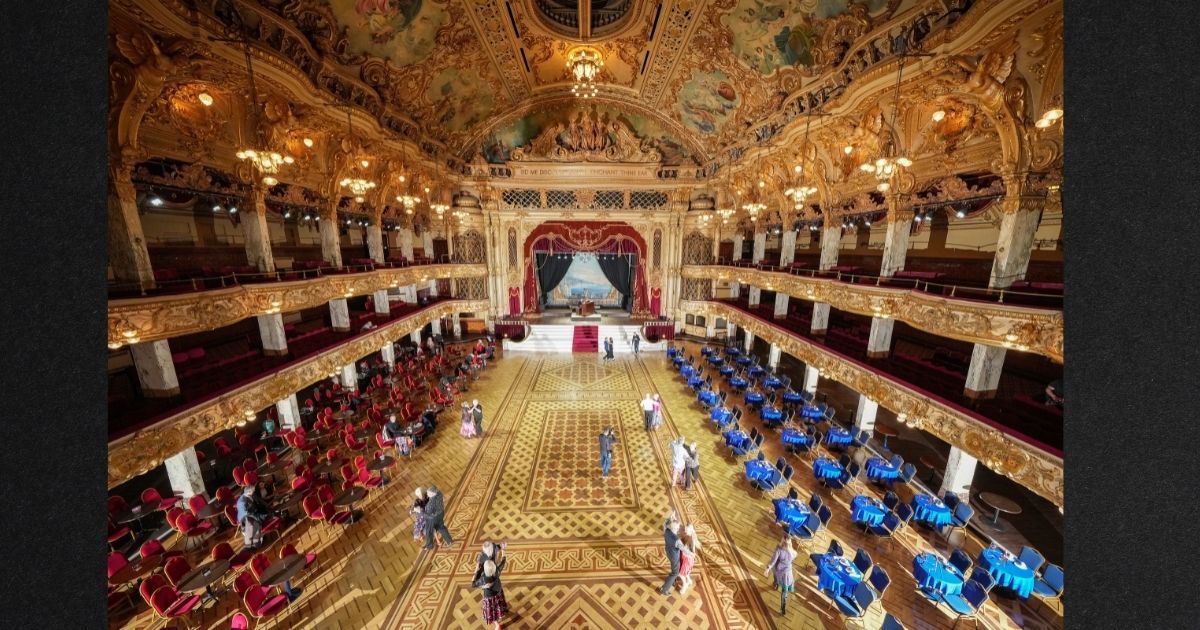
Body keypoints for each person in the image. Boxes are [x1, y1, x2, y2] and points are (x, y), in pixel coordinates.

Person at [764, 535, 797, 615]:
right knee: (784, 592)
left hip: (778, 570)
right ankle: (783, 609)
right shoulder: (794, 553)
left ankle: (775, 585)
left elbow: (773, 561)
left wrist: (767, 568)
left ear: (783, 542)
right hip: (787, 573)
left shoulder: (778, 549)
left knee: (775, 576)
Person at [474, 558, 509, 630]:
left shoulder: (484, 579)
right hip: (498, 592)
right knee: (499, 605)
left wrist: (477, 568)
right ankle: (501, 612)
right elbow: (503, 562)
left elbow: (474, 582)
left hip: (490, 598)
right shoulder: (497, 572)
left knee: (491, 612)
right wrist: (503, 552)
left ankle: (497, 625)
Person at [235, 485, 269, 550]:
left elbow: (260, 502)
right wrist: (261, 517)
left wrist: (267, 507)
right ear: (249, 492)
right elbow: (248, 514)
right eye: (253, 491)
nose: (254, 492)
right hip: (246, 519)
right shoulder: (242, 502)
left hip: (253, 514)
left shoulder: (251, 494)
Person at [422, 485, 453, 550]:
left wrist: (420, 511)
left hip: (433, 518)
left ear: (433, 493)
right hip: (441, 513)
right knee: (441, 527)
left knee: (429, 531)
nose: (427, 494)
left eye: (428, 493)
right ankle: (450, 541)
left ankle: (429, 546)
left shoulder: (431, 503)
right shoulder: (439, 493)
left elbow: (427, 514)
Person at [658, 512, 682, 595]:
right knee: (675, 573)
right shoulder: (676, 539)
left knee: (674, 569)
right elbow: (683, 549)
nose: (679, 527)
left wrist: (670, 518)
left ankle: (673, 581)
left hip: (668, 552)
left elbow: (664, 523)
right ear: (675, 528)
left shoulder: (667, 530)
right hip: (674, 556)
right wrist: (691, 554)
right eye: (678, 526)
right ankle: (664, 589)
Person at [678, 523, 701, 595]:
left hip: (687, 560)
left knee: (681, 574)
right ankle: (689, 580)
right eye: (685, 529)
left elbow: (693, 554)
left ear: (690, 531)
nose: (685, 531)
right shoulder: (690, 535)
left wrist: (684, 549)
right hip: (685, 557)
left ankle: (684, 585)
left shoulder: (692, 540)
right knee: (685, 572)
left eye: (686, 530)